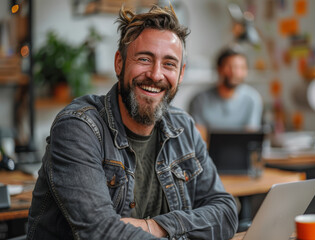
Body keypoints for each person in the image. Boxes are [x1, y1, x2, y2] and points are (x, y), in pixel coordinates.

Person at [27, 5, 238, 240]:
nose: (156, 74)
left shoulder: (183, 127)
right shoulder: (79, 127)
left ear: (181, 74)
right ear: (119, 63)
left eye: (169, 63)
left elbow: (227, 213)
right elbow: (100, 232)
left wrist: (154, 226)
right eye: (145, 59)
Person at [189, 46, 263, 141]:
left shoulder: (252, 99)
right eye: (229, 66)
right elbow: (199, 139)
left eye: (241, 67)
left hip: (241, 154)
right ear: (219, 68)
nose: (235, 72)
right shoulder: (199, 100)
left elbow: (250, 137)